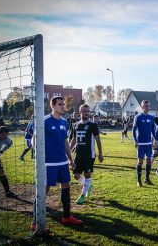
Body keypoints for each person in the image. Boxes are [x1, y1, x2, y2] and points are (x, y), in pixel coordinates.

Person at [32, 96, 82, 230]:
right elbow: (34, 140)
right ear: (52, 106)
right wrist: (38, 155)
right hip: (48, 164)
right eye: (60, 104)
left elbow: (65, 142)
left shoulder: (64, 122)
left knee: (66, 186)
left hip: (62, 162)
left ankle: (66, 216)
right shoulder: (44, 120)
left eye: (63, 104)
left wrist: (71, 160)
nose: (63, 106)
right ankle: (35, 222)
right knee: (44, 190)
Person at [70, 104, 104, 205]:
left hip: (89, 155)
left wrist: (100, 154)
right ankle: (88, 186)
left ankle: (82, 196)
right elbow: (74, 140)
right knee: (76, 175)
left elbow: (98, 140)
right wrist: (69, 152)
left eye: (88, 111)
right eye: (84, 111)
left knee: (87, 175)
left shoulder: (93, 125)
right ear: (80, 112)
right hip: (78, 154)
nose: (86, 113)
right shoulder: (76, 125)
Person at [132, 100, 156, 187]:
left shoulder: (151, 117)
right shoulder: (138, 117)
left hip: (149, 143)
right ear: (142, 107)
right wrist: (135, 140)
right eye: (146, 106)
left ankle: (147, 178)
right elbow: (134, 130)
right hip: (141, 143)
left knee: (149, 161)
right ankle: (139, 180)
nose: (148, 108)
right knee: (140, 161)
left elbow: (153, 130)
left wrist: (155, 139)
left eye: (148, 106)